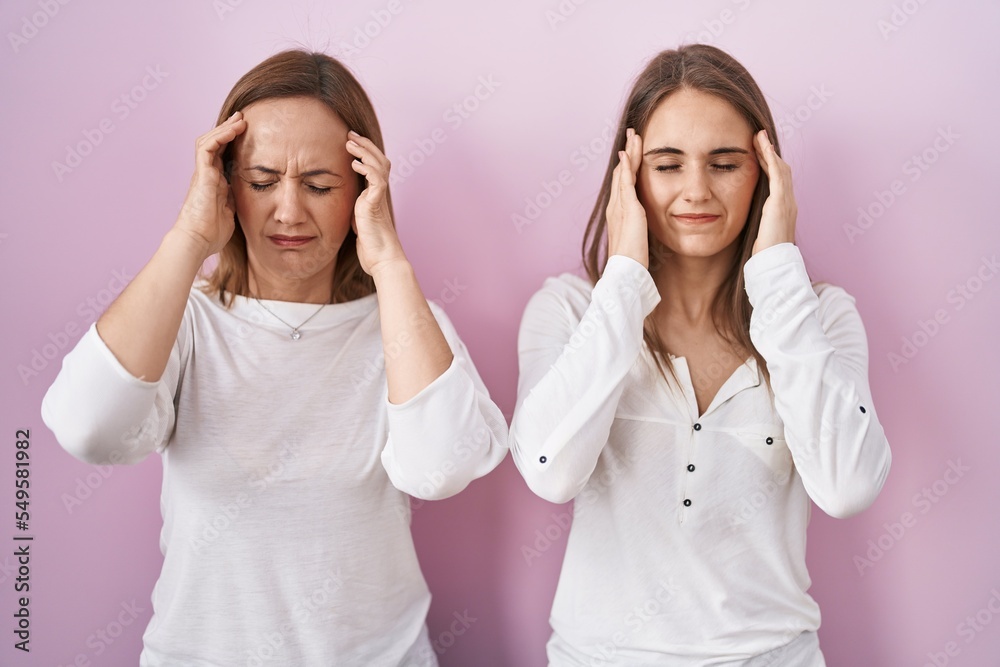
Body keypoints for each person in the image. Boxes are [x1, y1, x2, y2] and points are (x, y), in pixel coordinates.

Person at [41, 49, 508, 666]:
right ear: (227, 186)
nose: (289, 211)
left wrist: (390, 263)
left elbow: (439, 468)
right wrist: (189, 236)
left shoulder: (406, 321)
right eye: (262, 183)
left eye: (319, 185)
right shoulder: (183, 321)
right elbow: (87, 429)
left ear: (361, 192)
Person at [509, 44, 891, 666]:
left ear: (764, 174)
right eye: (667, 164)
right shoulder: (569, 312)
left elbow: (847, 487)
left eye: (724, 163)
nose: (696, 191)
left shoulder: (819, 315)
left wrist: (776, 273)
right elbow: (551, 471)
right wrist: (626, 275)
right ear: (628, 176)